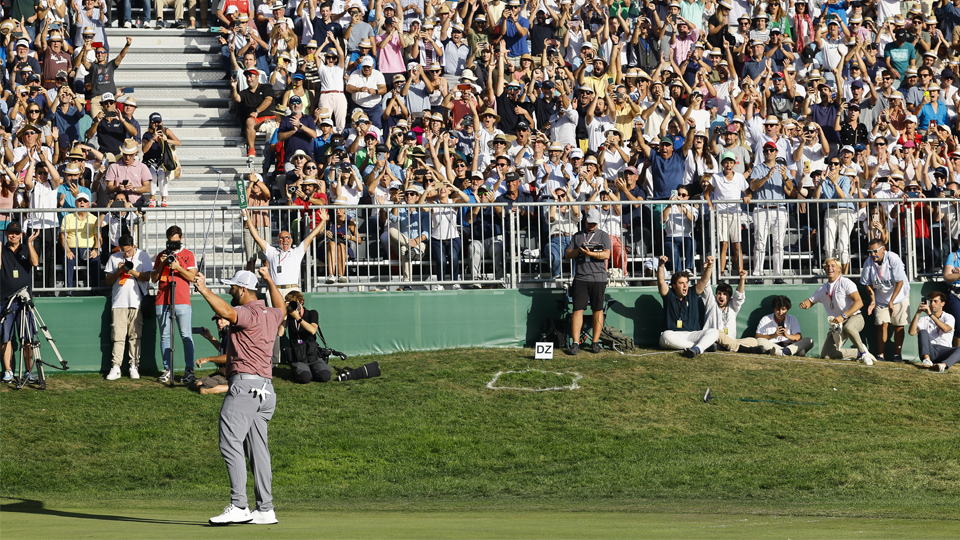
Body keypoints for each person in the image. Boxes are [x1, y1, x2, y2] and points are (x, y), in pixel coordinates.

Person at [194, 267, 284, 526]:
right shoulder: (271, 313)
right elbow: (281, 308)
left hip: (245, 387)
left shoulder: (248, 312)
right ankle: (265, 509)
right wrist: (269, 280)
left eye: (233, 287)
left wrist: (203, 289)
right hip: (266, 390)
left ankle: (239, 505)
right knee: (258, 450)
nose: (230, 291)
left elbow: (228, 312)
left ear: (243, 289)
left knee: (229, 441)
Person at [799, 258, 877, 364]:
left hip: (854, 317)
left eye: (832, 265)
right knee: (826, 355)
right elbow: (810, 301)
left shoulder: (846, 283)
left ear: (839, 269)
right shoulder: (822, 289)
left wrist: (843, 316)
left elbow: (859, 303)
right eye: (827, 266)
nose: (829, 268)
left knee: (848, 327)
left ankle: (863, 354)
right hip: (837, 325)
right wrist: (804, 304)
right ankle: (858, 352)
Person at [151, 225, 198, 384]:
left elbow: (192, 277)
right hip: (163, 299)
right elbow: (154, 278)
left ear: (181, 239)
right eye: (170, 242)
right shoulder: (161, 255)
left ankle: (189, 370)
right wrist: (162, 265)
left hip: (182, 300)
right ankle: (167, 369)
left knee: (186, 335)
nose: (173, 245)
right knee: (165, 335)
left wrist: (178, 267)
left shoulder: (188, 255)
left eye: (176, 242)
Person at [244, 209, 327, 300]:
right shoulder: (272, 252)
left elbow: (311, 236)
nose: (285, 240)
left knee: (294, 314)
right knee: (276, 314)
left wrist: (322, 221)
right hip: (275, 291)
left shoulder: (297, 252)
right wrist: (248, 219)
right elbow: (257, 237)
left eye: (287, 237)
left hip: (292, 290)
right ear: (277, 241)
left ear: (291, 240)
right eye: (282, 238)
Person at [103, 233, 153, 380]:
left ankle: (134, 366)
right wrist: (119, 270)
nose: (126, 254)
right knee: (118, 336)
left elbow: (147, 277)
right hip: (119, 302)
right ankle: (116, 367)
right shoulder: (114, 258)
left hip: (136, 302)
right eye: (124, 251)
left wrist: (130, 271)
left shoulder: (142, 256)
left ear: (134, 246)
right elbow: (108, 281)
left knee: (135, 336)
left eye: (129, 251)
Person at [564, 208, 611, 355]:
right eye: (590, 223)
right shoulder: (577, 236)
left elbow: (607, 254)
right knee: (578, 309)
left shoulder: (603, 235)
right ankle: (576, 343)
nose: (592, 225)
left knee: (598, 309)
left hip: (599, 278)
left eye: (595, 223)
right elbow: (567, 254)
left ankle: (595, 342)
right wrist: (579, 251)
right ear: (585, 220)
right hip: (581, 277)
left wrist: (589, 253)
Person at [657, 254, 720, 358]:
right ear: (674, 286)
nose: (685, 285)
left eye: (686, 282)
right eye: (681, 283)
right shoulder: (669, 294)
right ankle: (699, 347)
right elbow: (660, 281)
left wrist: (710, 266)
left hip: (692, 334)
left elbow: (704, 280)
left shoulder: (692, 292)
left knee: (714, 332)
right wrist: (661, 266)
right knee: (665, 336)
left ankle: (696, 349)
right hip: (674, 334)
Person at [0, 224, 40, 384]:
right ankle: (8, 371)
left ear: (21, 234)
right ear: (6, 234)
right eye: (11, 233)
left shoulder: (25, 248)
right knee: (5, 338)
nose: (13, 236)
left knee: (28, 338)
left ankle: (29, 372)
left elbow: (35, 263)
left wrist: (30, 244)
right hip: (4, 301)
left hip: (24, 302)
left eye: (16, 233)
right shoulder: (2, 250)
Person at [859, 240, 910, 362]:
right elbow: (867, 284)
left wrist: (892, 301)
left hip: (899, 295)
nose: (872, 254)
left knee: (898, 326)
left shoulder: (894, 259)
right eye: (870, 252)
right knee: (882, 325)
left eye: (875, 251)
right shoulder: (868, 262)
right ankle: (880, 355)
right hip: (880, 297)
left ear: (883, 249)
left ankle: (897, 355)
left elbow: (900, 282)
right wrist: (872, 300)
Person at [702, 269, 770, 354]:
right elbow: (706, 287)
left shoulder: (732, 306)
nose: (721, 296)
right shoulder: (711, 303)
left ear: (729, 296)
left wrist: (742, 279)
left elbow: (739, 296)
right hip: (714, 338)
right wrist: (706, 270)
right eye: (719, 293)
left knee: (753, 341)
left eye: (724, 294)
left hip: (731, 341)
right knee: (717, 332)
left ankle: (723, 348)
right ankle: (747, 350)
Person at [282, 290, 331, 384]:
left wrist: (298, 318)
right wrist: (285, 314)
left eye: (295, 303)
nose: (294, 307)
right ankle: (303, 371)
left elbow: (313, 330)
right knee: (305, 378)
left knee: (325, 376)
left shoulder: (312, 313)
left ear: (301, 302)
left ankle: (312, 369)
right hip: (298, 356)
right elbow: (280, 333)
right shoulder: (289, 317)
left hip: (312, 355)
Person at [908, 291, 959, 372]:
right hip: (930, 350)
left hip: (945, 350)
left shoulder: (949, 317)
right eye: (931, 301)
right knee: (923, 332)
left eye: (935, 301)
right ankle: (927, 360)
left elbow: (945, 329)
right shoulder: (924, 319)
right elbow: (912, 332)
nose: (932, 304)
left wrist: (931, 315)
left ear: (942, 304)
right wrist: (917, 313)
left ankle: (942, 365)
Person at [60, 192, 101, 290]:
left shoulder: (94, 218)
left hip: (89, 249)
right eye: (79, 200)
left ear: (89, 205)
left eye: (85, 201)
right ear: (75, 203)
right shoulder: (68, 217)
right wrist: (68, 251)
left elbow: (99, 238)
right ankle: (68, 291)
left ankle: (96, 291)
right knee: (67, 260)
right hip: (72, 249)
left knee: (96, 261)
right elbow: (62, 237)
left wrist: (95, 249)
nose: (82, 203)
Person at [193, 315, 231, 395]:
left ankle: (235, 386)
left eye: (221, 319)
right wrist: (209, 337)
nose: (218, 322)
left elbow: (228, 357)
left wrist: (207, 359)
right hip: (224, 372)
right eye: (217, 320)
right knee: (198, 384)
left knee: (203, 390)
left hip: (231, 374)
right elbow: (223, 349)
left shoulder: (232, 335)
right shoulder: (226, 334)